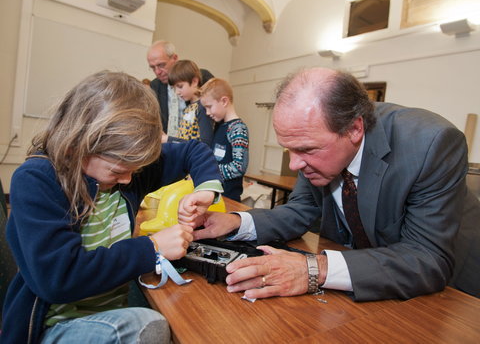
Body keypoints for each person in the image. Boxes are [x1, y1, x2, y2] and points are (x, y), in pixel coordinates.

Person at [184, 67, 480, 302]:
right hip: (368, 277)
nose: (296, 164)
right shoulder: (316, 141)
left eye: (307, 150)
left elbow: (426, 258)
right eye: (289, 149)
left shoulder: (430, 144)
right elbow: (302, 209)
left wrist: (315, 269)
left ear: (354, 128)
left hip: (455, 291)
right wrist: (235, 223)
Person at [1, 71, 223, 344]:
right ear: (79, 144)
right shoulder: (37, 180)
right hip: (51, 327)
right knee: (145, 326)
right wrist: (151, 248)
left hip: (110, 312)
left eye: (135, 170)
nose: (129, 179)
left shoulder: (127, 170)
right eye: (118, 170)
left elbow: (194, 151)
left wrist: (205, 190)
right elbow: (58, 278)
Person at [147, 40, 213, 137]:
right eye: (153, 67)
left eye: (161, 65)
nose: (157, 72)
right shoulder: (155, 86)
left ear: (174, 58)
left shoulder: (203, 77)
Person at [200, 78, 249, 202]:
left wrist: (209, 171)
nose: (207, 112)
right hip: (216, 195)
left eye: (209, 107)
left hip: (229, 198)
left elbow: (238, 168)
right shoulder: (219, 125)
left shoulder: (237, 128)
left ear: (224, 101)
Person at [163, 60, 215, 146]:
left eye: (180, 86)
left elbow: (205, 144)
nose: (177, 92)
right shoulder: (189, 107)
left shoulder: (202, 107)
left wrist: (170, 139)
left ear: (194, 81)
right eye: (174, 88)